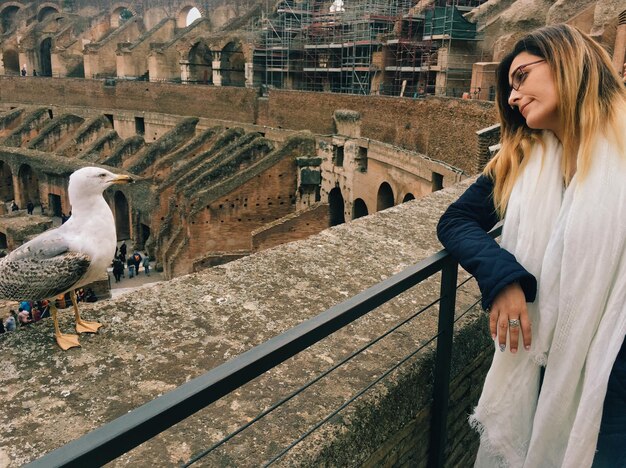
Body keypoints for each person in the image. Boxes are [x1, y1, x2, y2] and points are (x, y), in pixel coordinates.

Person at [437, 25, 626, 467]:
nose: (513, 97)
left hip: (613, 374)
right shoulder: (522, 157)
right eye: (508, 90)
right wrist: (503, 277)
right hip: (543, 364)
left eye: (521, 77)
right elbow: (456, 221)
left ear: (564, 60)